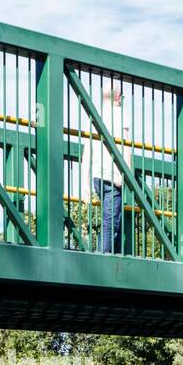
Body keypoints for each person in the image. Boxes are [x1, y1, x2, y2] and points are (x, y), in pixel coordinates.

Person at [80, 86, 129, 254]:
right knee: (111, 222)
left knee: (107, 219)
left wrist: (85, 184)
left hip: (97, 178)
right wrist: (125, 174)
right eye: (121, 96)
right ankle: (103, 257)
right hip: (113, 176)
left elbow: (87, 152)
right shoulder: (120, 114)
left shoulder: (95, 116)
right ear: (117, 97)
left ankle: (102, 254)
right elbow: (126, 148)